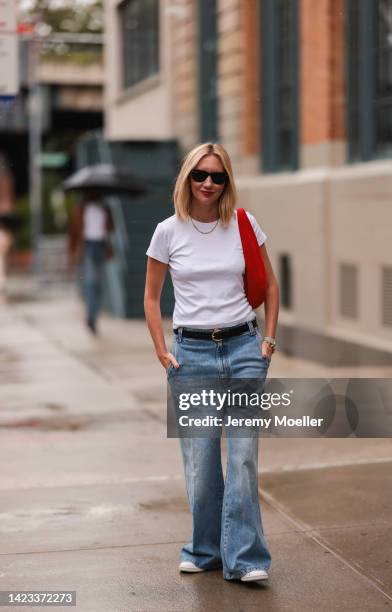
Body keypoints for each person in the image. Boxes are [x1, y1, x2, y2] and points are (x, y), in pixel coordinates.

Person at [144, 142, 279, 583]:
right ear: (187, 178)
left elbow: (271, 287)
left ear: (227, 181)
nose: (207, 183)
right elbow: (150, 295)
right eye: (200, 175)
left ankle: (246, 559)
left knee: (242, 459)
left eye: (217, 176)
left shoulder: (243, 223)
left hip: (244, 349)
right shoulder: (168, 231)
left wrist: (269, 339)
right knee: (201, 463)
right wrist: (161, 348)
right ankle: (204, 551)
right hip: (193, 355)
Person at [68, 193, 114, 334]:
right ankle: (91, 317)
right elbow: (74, 231)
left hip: (101, 246)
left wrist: (107, 213)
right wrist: (72, 252)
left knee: (99, 285)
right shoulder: (81, 208)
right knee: (91, 282)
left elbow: (111, 228)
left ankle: (93, 317)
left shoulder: (104, 208)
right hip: (87, 246)